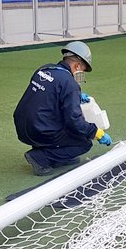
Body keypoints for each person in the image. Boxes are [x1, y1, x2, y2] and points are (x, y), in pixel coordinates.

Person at [13, 41, 113, 176]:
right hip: (40, 130)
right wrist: (97, 133)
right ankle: (41, 157)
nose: (81, 74)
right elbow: (75, 121)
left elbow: (47, 96)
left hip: (22, 125)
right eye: (82, 70)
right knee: (84, 143)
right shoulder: (69, 83)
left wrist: (75, 96)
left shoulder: (44, 69)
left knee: (54, 117)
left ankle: (57, 155)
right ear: (77, 65)